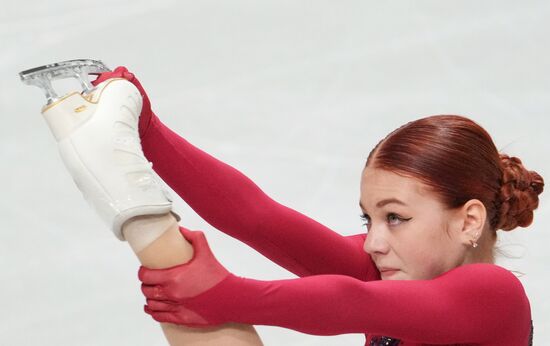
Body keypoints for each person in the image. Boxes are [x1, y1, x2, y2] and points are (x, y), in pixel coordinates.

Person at [55, 66, 544, 346]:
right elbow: (257, 217)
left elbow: (353, 303)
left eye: (396, 218)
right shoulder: (389, 268)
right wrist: (148, 130)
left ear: (469, 220)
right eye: (368, 217)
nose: (374, 241)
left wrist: (225, 294)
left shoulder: (491, 295)